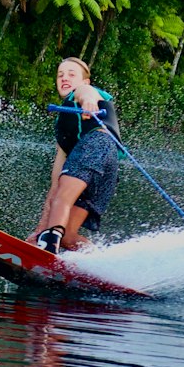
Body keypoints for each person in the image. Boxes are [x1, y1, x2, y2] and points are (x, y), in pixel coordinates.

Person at [27, 57, 121, 255]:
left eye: (71, 74)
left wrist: (88, 100)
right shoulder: (63, 128)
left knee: (64, 197)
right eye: (60, 75)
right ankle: (102, 264)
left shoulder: (83, 94)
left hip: (99, 145)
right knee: (68, 237)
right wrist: (38, 231)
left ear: (85, 81)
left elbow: (85, 93)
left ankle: (48, 245)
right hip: (106, 173)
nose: (64, 78)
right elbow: (55, 185)